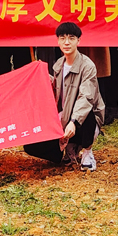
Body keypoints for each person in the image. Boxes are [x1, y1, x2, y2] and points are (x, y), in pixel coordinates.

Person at [23, 22, 105, 169]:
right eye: (62, 38)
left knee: (87, 113)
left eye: (71, 38)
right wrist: (40, 73)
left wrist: (73, 121)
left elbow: (86, 98)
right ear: (58, 41)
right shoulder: (59, 64)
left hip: (84, 119)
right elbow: (56, 91)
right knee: (31, 145)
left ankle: (87, 151)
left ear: (78, 41)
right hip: (64, 117)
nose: (66, 42)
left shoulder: (88, 66)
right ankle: (67, 149)